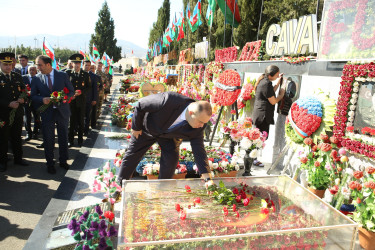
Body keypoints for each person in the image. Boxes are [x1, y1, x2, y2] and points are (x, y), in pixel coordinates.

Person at [117, 92, 215, 187]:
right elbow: (141, 104)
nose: (202, 126)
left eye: (204, 123)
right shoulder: (168, 100)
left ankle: (162, 188)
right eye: (200, 122)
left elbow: (199, 151)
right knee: (133, 154)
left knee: (171, 159)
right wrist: (136, 127)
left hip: (170, 137)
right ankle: (119, 186)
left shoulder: (199, 125)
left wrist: (208, 179)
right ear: (191, 113)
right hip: (148, 129)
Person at [31, 55, 74, 174]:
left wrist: (64, 98)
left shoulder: (62, 75)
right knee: (48, 139)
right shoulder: (36, 78)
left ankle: (63, 160)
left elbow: (71, 91)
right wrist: (42, 99)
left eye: (40, 65)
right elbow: (33, 96)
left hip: (62, 112)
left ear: (48, 65)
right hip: (47, 113)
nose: (37, 67)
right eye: (37, 64)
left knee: (63, 137)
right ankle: (50, 163)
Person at [249, 65, 285, 171]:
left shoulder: (264, 81)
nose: (278, 75)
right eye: (277, 74)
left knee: (258, 138)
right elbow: (273, 100)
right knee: (260, 138)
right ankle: (253, 159)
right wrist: (281, 94)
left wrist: (278, 82)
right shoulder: (266, 84)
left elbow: (270, 92)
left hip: (260, 114)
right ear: (270, 75)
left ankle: (253, 158)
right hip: (262, 116)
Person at [0, 52, 29, 172]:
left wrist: (23, 99)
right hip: (3, 114)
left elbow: (24, 91)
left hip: (17, 113)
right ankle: (2, 161)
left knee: (17, 137)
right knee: (3, 138)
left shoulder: (17, 76)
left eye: (10, 64)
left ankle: (18, 158)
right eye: (5, 64)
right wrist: (8, 103)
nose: (8, 67)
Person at [65, 54, 91, 147]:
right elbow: (65, 86)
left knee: (80, 121)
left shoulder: (85, 74)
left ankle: (80, 140)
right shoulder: (67, 73)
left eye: (79, 63)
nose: (77, 65)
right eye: (75, 63)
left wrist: (82, 92)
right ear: (72, 63)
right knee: (71, 121)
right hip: (71, 101)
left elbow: (89, 87)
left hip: (81, 101)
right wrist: (70, 94)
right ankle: (70, 140)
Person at [22, 65, 40, 141]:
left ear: (36, 71)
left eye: (33, 70)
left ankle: (35, 132)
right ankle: (28, 133)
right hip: (26, 101)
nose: (31, 71)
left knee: (37, 117)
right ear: (28, 70)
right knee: (27, 118)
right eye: (30, 70)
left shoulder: (39, 78)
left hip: (36, 101)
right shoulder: (23, 77)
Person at [83, 60, 98, 135]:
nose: (87, 67)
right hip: (80, 99)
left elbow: (95, 89)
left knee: (87, 116)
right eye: (86, 65)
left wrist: (94, 99)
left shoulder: (93, 76)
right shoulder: (80, 74)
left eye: (89, 65)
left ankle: (85, 130)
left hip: (89, 99)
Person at [89, 64, 101, 128]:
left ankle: (93, 124)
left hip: (95, 96)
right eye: (90, 68)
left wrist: (99, 88)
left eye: (92, 68)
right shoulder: (86, 75)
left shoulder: (97, 77)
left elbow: (101, 86)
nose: (91, 69)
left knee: (94, 111)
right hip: (88, 97)